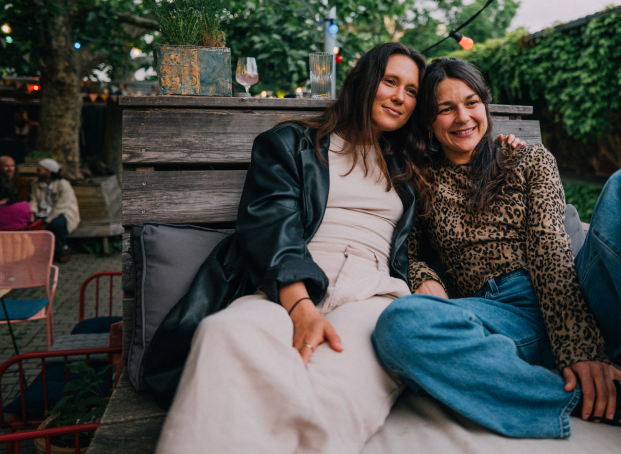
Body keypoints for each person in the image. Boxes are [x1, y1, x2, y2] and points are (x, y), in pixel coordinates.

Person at [372, 58, 621, 454]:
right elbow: (410, 249)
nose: (462, 117)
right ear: (428, 121)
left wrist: (578, 346)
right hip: (498, 316)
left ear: (485, 106)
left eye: (471, 102)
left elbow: (550, 250)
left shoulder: (527, 159)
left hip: (576, 291)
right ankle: (610, 403)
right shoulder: (419, 180)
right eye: (445, 109)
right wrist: (427, 275)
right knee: (400, 324)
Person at [152, 43, 428, 454]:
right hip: (289, 282)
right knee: (225, 333)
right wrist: (300, 306)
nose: (400, 97)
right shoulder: (292, 144)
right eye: (390, 81)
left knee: (331, 387)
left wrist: (510, 148)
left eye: (411, 91)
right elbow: (269, 222)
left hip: (373, 292)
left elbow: (468, 142)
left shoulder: (410, 167)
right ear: (364, 81)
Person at [28, 158, 80, 263]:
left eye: (39, 170)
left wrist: (47, 221)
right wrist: (32, 213)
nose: (36, 172)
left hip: (62, 213)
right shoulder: (35, 183)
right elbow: (33, 200)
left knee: (56, 224)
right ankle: (38, 252)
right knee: (31, 223)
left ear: (49, 172)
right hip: (43, 212)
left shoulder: (63, 184)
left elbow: (61, 207)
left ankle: (63, 249)